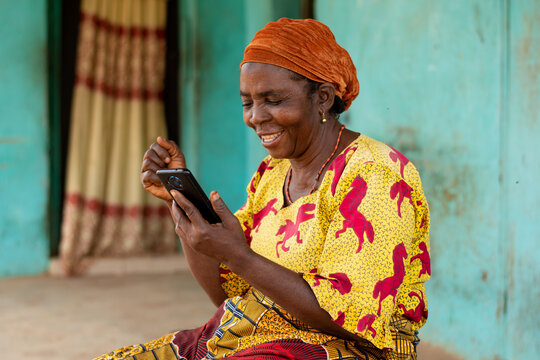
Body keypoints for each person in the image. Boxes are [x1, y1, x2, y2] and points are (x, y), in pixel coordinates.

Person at [95, 18, 430, 360]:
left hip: (345, 350)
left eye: (273, 100)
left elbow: (350, 319)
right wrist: (181, 204)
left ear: (324, 98)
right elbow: (227, 292)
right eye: (247, 102)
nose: (256, 117)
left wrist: (237, 254)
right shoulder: (273, 171)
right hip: (248, 335)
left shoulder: (377, 175)